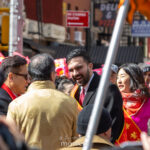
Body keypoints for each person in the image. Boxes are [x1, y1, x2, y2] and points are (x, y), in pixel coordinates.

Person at [6, 53, 79, 150]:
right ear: (53, 75)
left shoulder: (16, 105)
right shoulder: (70, 103)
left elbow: (9, 142)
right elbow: (77, 141)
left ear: (29, 77)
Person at [66, 49, 124, 143]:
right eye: (71, 70)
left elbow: (113, 130)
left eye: (79, 68)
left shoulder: (108, 89)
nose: (75, 73)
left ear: (90, 66)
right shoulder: (74, 91)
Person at [116, 63, 150, 143]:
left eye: (122, 76)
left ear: (134, 78)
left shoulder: (146, 101)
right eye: (117, 77)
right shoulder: (115, 100)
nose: (119, 81)